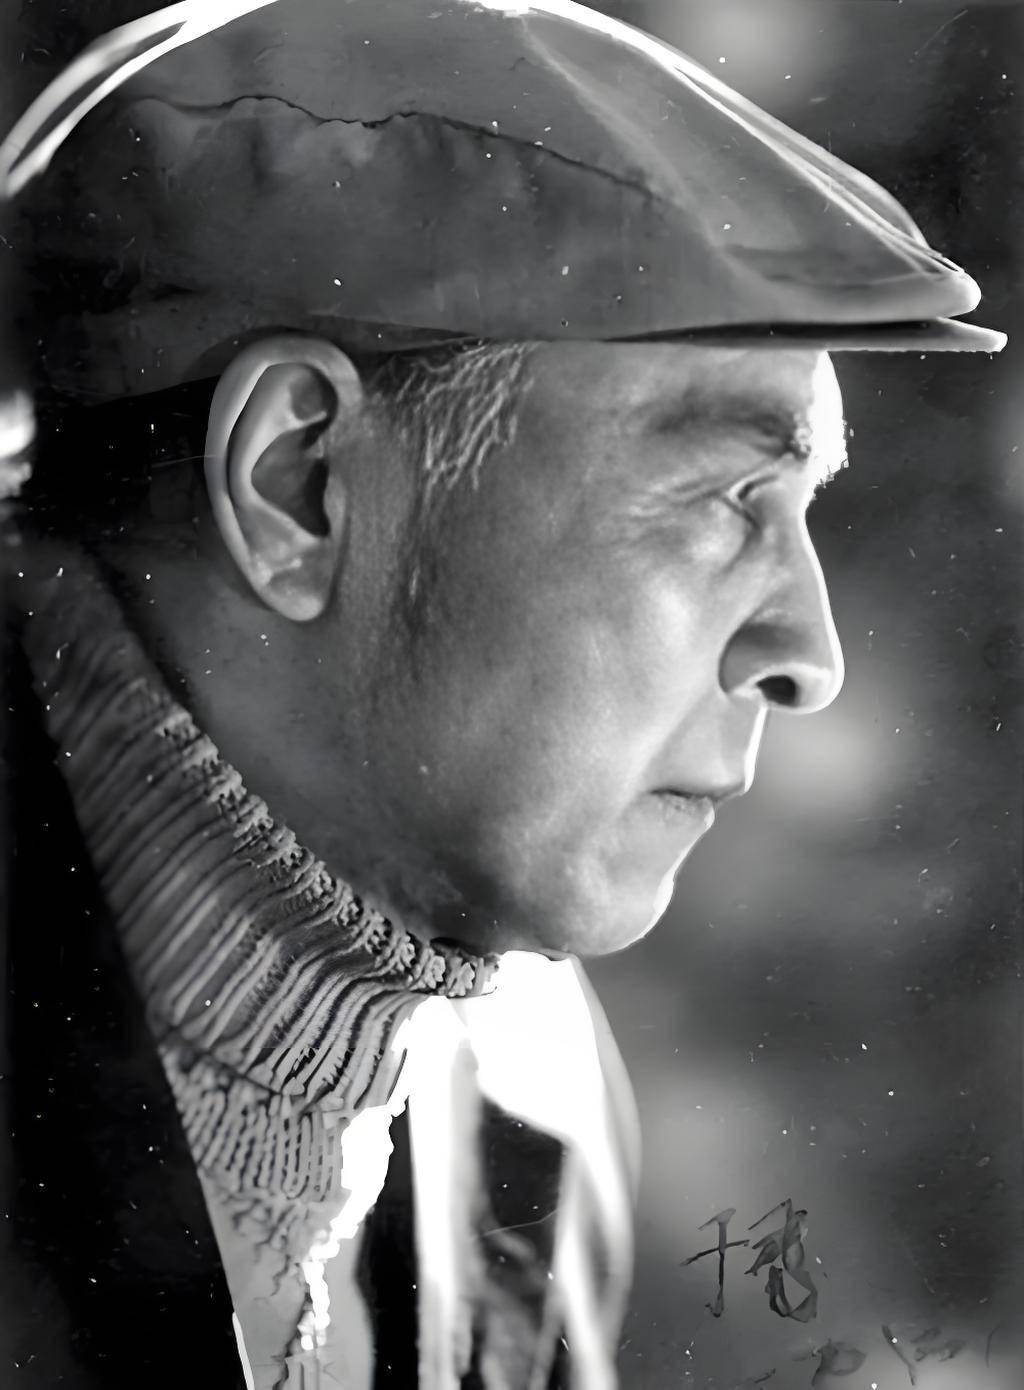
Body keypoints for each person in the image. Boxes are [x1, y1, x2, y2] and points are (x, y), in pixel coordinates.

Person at [0, 2, 1006, 1387]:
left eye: (802, 513)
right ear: (299, 482)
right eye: (723, 497)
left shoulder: (534, 1085)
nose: (806, 651)